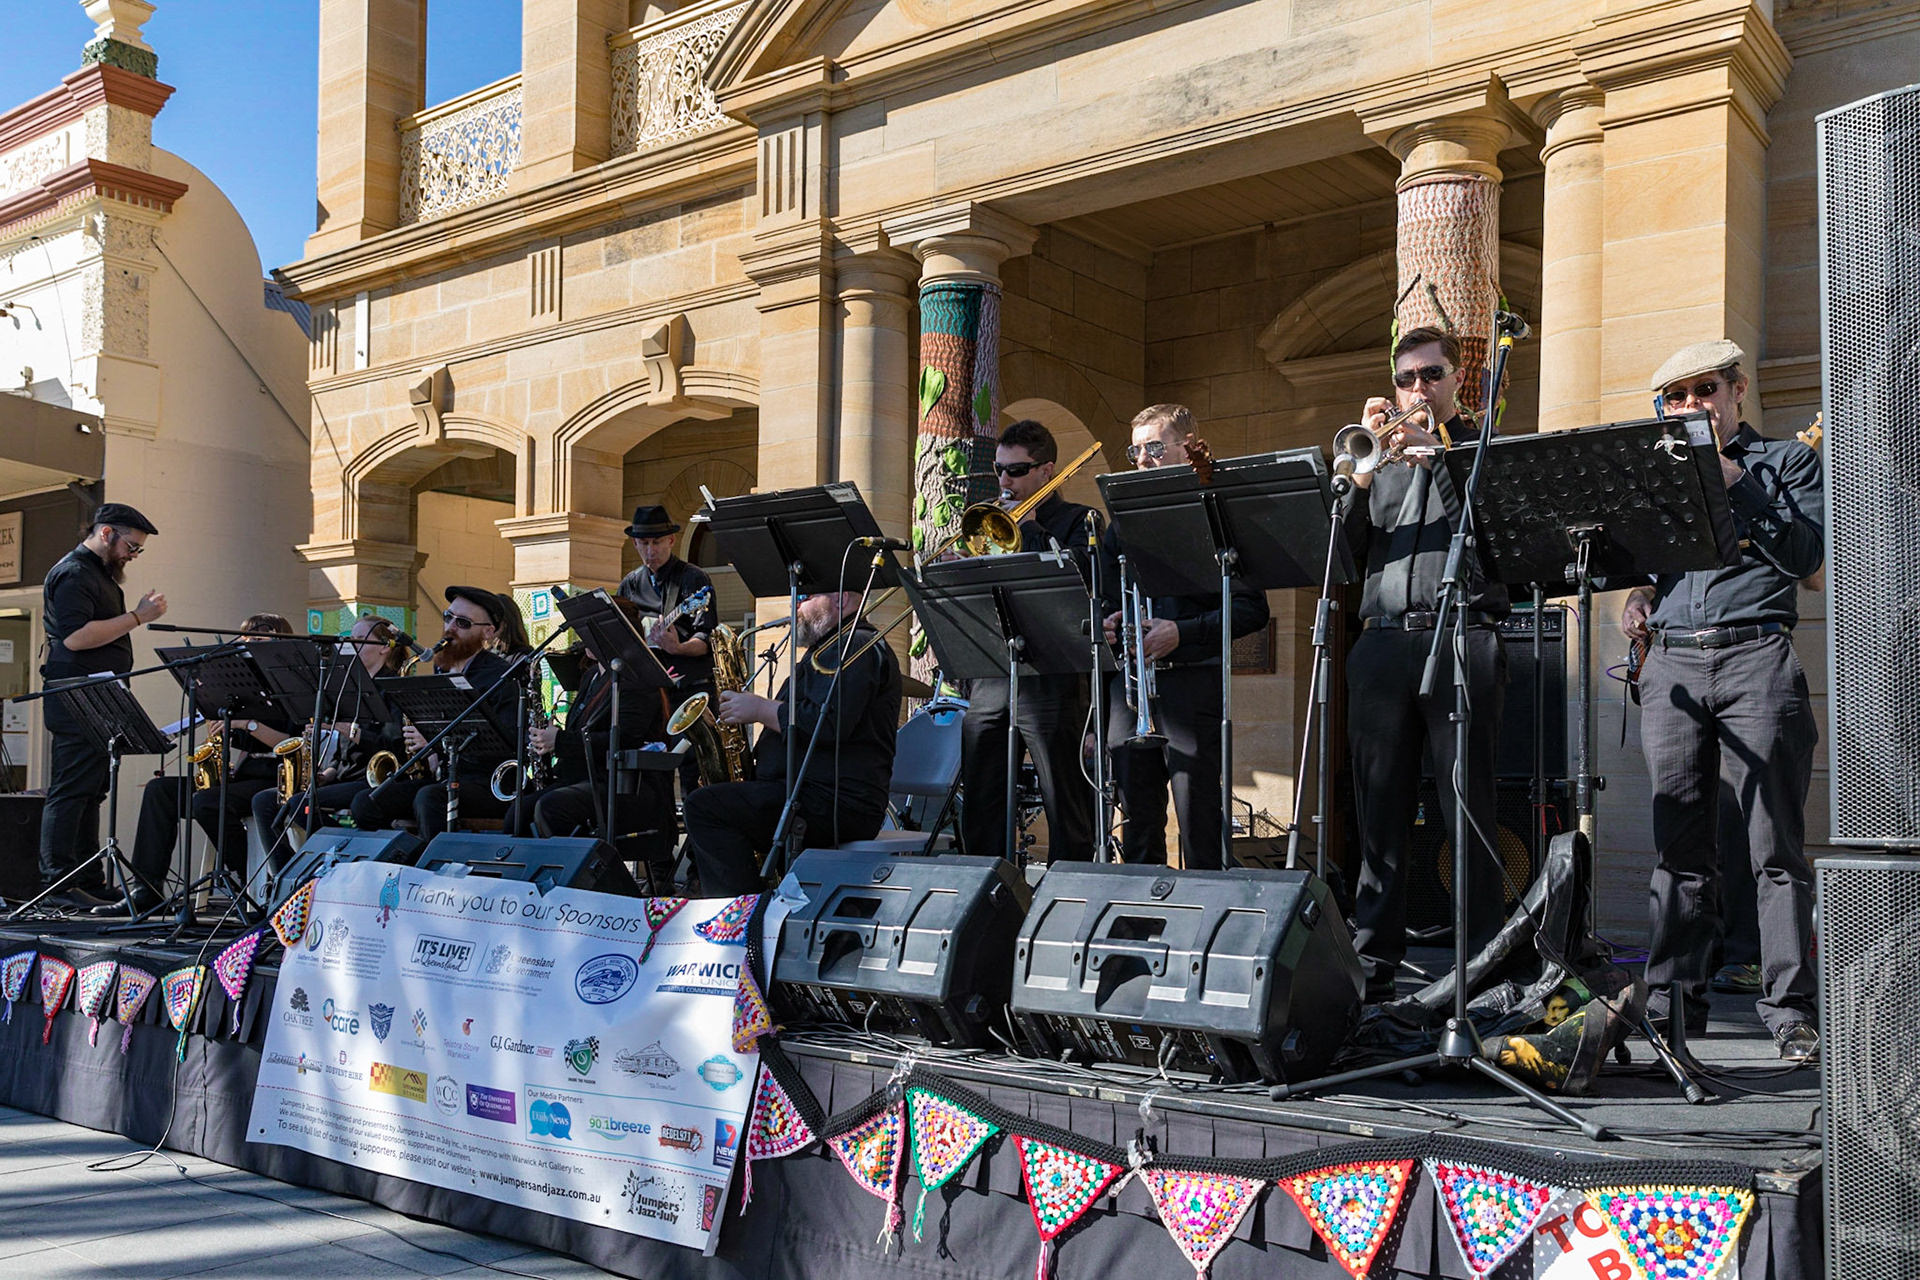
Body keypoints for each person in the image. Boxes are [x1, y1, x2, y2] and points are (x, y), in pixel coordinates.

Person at [1620, 339, 1823, 1063]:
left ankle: (1790, 1008)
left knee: (1774, 848)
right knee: (1679, 849)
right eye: (1675, 397)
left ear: (1737, 390)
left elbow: (1806, 557)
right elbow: (1653, 571)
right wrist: (1640, 598)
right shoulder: (1663, 475)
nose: (1690, 405)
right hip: (1674, 663)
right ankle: (1675, 1006)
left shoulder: (1786, 463)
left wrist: (1736, 481)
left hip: (1755, 655)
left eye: (1704, 389)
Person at [1337, 326, 1509, 1003]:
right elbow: (1340, 555)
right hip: (1381, 642)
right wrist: (1361, 473)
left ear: (1457, 379)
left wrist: (1438, 456)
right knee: (1378, 808)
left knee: (1466, 804)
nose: (1417, 389)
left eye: (1431, 375)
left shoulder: (1481, 449)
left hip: (1460, 634)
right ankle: (1374, 955)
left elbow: (1492, 537)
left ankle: (1483, 958)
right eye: (1406, 378)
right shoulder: (1379, 461)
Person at [1098, 405, 1269, 869]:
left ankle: (1204, 911)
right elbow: (1104, 602)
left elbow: (1253, 609)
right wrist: (1109, 624)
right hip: (1132, 689)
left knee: (1198, 819)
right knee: (1136, 820)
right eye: (1135, 450)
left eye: (1155, 447)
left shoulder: (1216, 516)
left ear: (1187, 446)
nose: (1143, 459)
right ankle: (1139, 910)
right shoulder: (1120, 525)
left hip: (1193, 683)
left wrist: (1181, 632)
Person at [681, 592, 901, 895]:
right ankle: (752, 903)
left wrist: (760, 709)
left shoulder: (856, 645)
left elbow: (829, 723)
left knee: (705, 808)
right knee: (711, 803)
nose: (794, 604)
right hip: (809, 794)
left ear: (840, 599)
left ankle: (744, 914)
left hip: (837, 801)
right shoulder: (829, 649)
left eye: (805, 596)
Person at [958, 419, 1101, 863]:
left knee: (1065, 803)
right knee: (981, 802)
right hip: (993, 675)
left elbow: (1084, 583)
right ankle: (986, 890)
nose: (1005, 480)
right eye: (999, 470)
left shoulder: (1080, 519)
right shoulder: (989, 524)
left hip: (1053, 677)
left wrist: (1034, 530)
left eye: (1016, 470)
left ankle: (1069, 892)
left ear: (1046, 470)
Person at [36, 503, 167, 911]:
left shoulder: (100, 575)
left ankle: (88, 878)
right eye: (132, 546)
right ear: (106, 533)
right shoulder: (74, 573)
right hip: (77, 697)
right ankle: (57, 882)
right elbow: (75, 637)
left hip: (99, 697)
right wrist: (138, 617)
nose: (134, 555)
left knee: (92, 790)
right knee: (72, 788)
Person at [123, 614, 297, 913]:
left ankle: (247, 877)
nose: (248, 643)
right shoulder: (241, 685)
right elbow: (238, 744)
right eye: (245, 637)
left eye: (258, 637)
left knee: (207, 802)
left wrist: (248, 724)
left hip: (279, 775)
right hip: (246, 772)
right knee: (159, 790)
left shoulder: (292, 684)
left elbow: (293, 742)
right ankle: (146, 888)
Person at [504, 598, 676, 890]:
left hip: (626, 788)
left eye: (589, 630)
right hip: (586, 780)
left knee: (552, 808)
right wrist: (550, 740)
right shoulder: (592, 676)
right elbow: (584, 732)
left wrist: (560, 741)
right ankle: (525, 892)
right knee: (517, 813)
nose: (582, 637)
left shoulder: (637, 680)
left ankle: (603, 891)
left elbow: (623, 739)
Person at [348, 587, 516, 837]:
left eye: (463, 623)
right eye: (448, 617)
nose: (450, 628)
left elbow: (506, 745)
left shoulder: (501, 676)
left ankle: (434, 860)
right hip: (447, 777)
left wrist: (434, 740)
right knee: (366, 803)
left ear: (487, 632)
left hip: (489, 782)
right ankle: (405, 856)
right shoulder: (442, 668)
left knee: (429, 798)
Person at [251, 614, 410, 865]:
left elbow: (394, 748)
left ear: (383, 648)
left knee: (302, 805)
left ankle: (349, 857)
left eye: (360, 639)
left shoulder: (393, 687)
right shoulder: (350, 686)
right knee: (264, 801)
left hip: (374, 782)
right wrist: (329, 772)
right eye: (351, 638)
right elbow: (344, 754)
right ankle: (284, 873)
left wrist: (349, 730)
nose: (352, 644)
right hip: (345, 777)